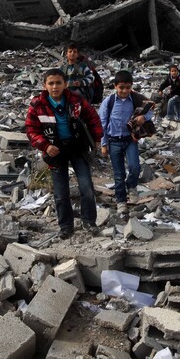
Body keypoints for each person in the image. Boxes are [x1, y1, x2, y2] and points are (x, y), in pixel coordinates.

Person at [25, 68, 103, 239]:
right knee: (61, 192)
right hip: (55, 151)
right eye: (51, 83)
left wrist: (97, 138)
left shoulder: (76, 100)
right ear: (44, 85)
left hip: (77, 147)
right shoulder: (37, 105)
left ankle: (89, 222)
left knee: (86, 187)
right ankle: (66, 227)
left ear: (65, 84)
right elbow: (31, 129)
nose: (55, 87)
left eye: (58, 83)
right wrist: (45, 146)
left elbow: (92, 117)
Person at [99, 70, 154, 217]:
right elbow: (102, 123)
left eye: (127, 87)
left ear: (131, 87)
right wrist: (104, 144)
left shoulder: (135, 99)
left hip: (130, 139)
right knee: (118, 174)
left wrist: (143, 117)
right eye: (121, 87)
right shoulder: (109, 102)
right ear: (115, 86)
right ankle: (121, 202)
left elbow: (150, 110)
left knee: (135, 167)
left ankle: (132, 185)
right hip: (114, 141)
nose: (124, 91)